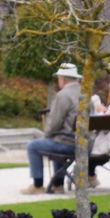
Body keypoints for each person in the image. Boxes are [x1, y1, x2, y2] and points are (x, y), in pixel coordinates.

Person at [21, 62, 82, 195]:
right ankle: (58, 185)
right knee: (55, 141)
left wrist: (46, 134)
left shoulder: (63, 95)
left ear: (63, 79)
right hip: (82, 142)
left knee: (33, 145)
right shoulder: (85, 92)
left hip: (67, 142)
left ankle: (37, 185)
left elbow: (54, 123)